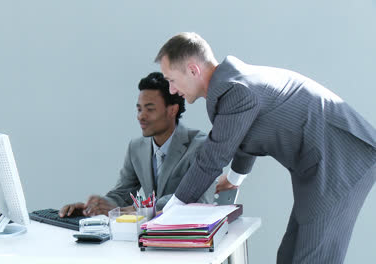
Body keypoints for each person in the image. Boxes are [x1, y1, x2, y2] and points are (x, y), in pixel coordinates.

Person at [155, 32, 376, 264]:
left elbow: (212, 157)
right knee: (290, 256)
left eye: (170, 80)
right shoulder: (234, 84)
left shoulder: (235, 89)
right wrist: (235, 178)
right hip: (320, 164)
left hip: (341, 160)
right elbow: (242, 135)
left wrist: (172, 211)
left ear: (192, 69)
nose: (171, 90)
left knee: (314, 258)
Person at [59, 72, 215, 218]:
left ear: (172, 110)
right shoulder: (136, 148)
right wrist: (94, 208)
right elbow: (122, 194)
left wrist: (137, 209)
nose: (141, 116)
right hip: (146, 237)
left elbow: (196, 199)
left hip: (187, 235)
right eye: (139, 109)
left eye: (150, 109)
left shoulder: (200, 146)